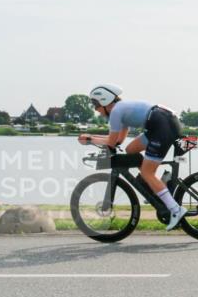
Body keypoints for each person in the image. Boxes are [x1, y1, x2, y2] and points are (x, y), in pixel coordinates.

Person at [78, 84, 186, 230]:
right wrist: (92, 138)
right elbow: (118, 141)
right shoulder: (120, 110)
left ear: (104, 101)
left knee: (148, 172)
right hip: (160, 124)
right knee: (131, 149)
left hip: (161, 126)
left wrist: (90, 140)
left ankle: (175, 210)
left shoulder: (116, 112)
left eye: (96, 105)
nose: (95, 109)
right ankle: (154, 184)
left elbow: (110, 142)